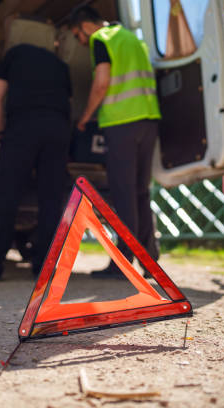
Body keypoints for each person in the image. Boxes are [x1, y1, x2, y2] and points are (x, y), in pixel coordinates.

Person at [69, 6, 161, 279]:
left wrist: (85, 118)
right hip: (148, 120)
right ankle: (150, 262)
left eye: (77, 35)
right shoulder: (133, 39)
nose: (81, 42)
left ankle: (122, 264)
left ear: (85, 26)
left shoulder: (102, 39)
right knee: (141, 193)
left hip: (121, 123)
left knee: (123, 193)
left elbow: (101, 83)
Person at [0, 43, 72, 281]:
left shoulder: (12, 54)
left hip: (22, 127)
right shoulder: (61, 65)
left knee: (7, 196)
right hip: (57, 129)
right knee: (51, 200)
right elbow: (69, 103)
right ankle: (44, 268)